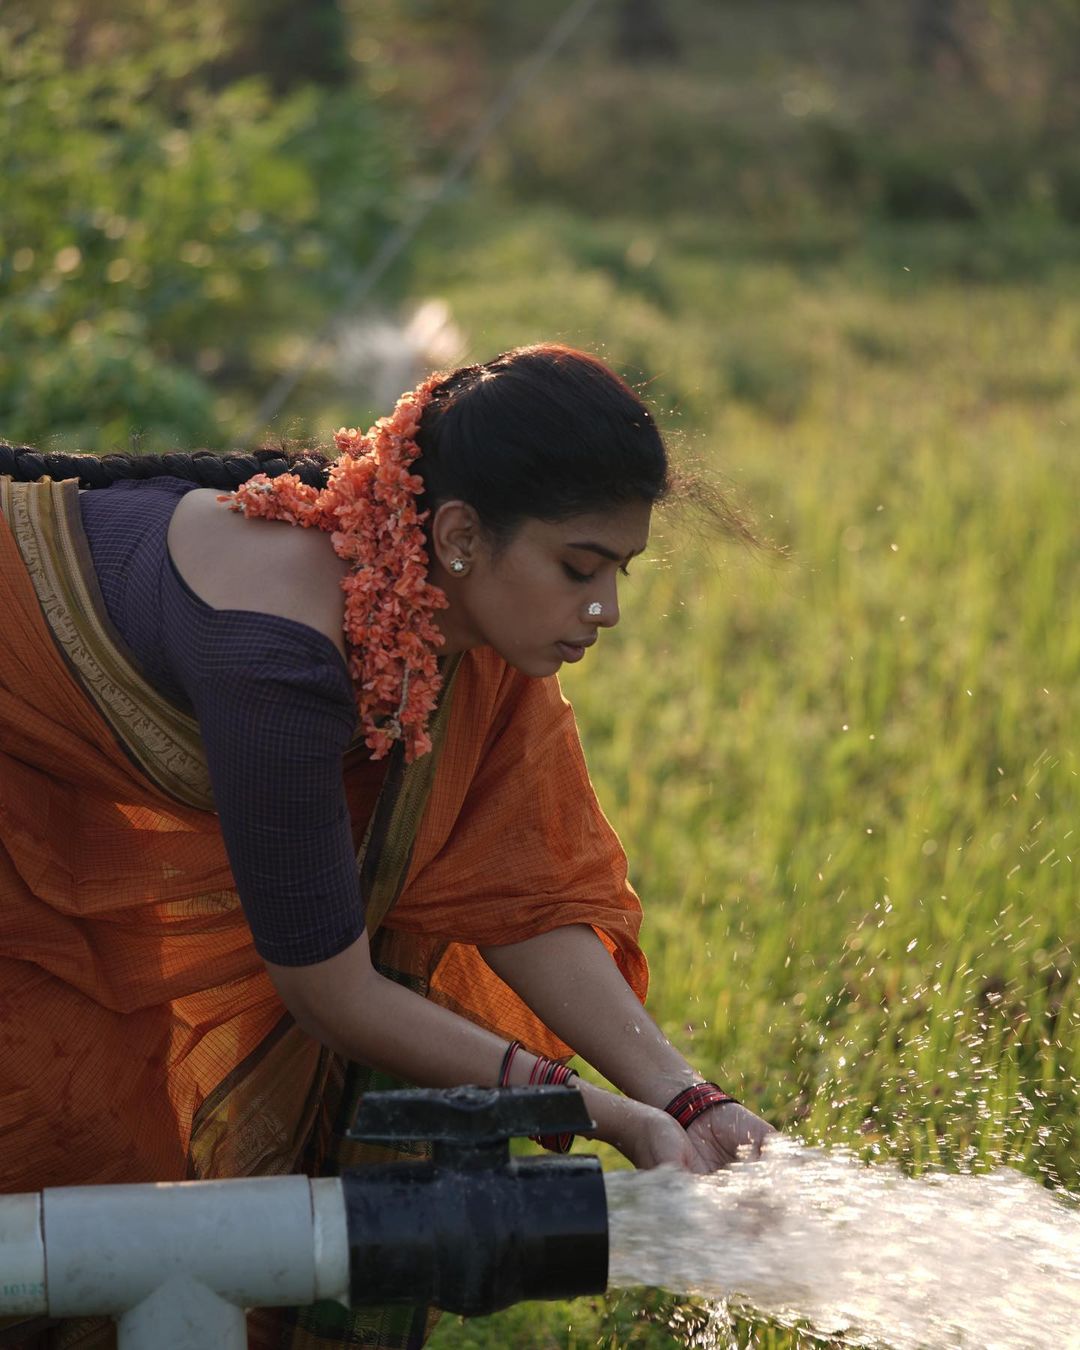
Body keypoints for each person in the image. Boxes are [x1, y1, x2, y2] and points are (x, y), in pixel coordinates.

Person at [0, 343, 773, 1349]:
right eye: (578, 568)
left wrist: (683, 1096)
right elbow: (330, 991)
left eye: (619, 571)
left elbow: (513, 894)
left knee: (107, 1153)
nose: (605, 610)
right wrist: (598, 1116)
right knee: (73, 1133)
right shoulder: (279, 659)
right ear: (458, 532)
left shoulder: (428, 607)